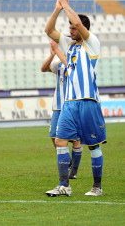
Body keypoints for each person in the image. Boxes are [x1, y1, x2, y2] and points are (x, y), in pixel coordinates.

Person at [44, 0, 105, 197]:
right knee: (60, 141)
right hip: (69, 103)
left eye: (73, 28)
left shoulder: (92, 43)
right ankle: (64, 186)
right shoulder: (70, 46)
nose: (70, 30)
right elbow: (48, 30)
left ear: (83, 30)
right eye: (69, 27)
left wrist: (66, 3)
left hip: (87, 101)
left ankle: (97, 187)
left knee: (93, 146)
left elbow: (78, 22)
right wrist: (57, 9)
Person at [41, 40, 82, 180]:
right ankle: (68, 162)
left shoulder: (78, 63)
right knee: (54, 135)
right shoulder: (58, 65)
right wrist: (52, 54)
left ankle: (73, 171)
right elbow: (43, 68)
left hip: (72, 105)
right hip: (57, 106)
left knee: (76, 139)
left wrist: (58, 51)